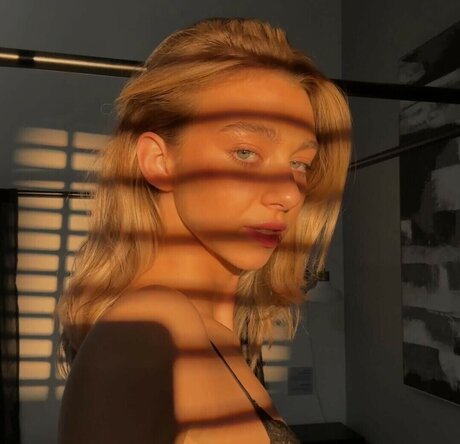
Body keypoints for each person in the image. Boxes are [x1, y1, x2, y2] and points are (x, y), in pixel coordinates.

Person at [55, 17, 352, 444]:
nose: (289, 193)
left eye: (299, 163)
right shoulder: (150, 332)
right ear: (160, 161)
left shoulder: (209, 335)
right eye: (246, 152)